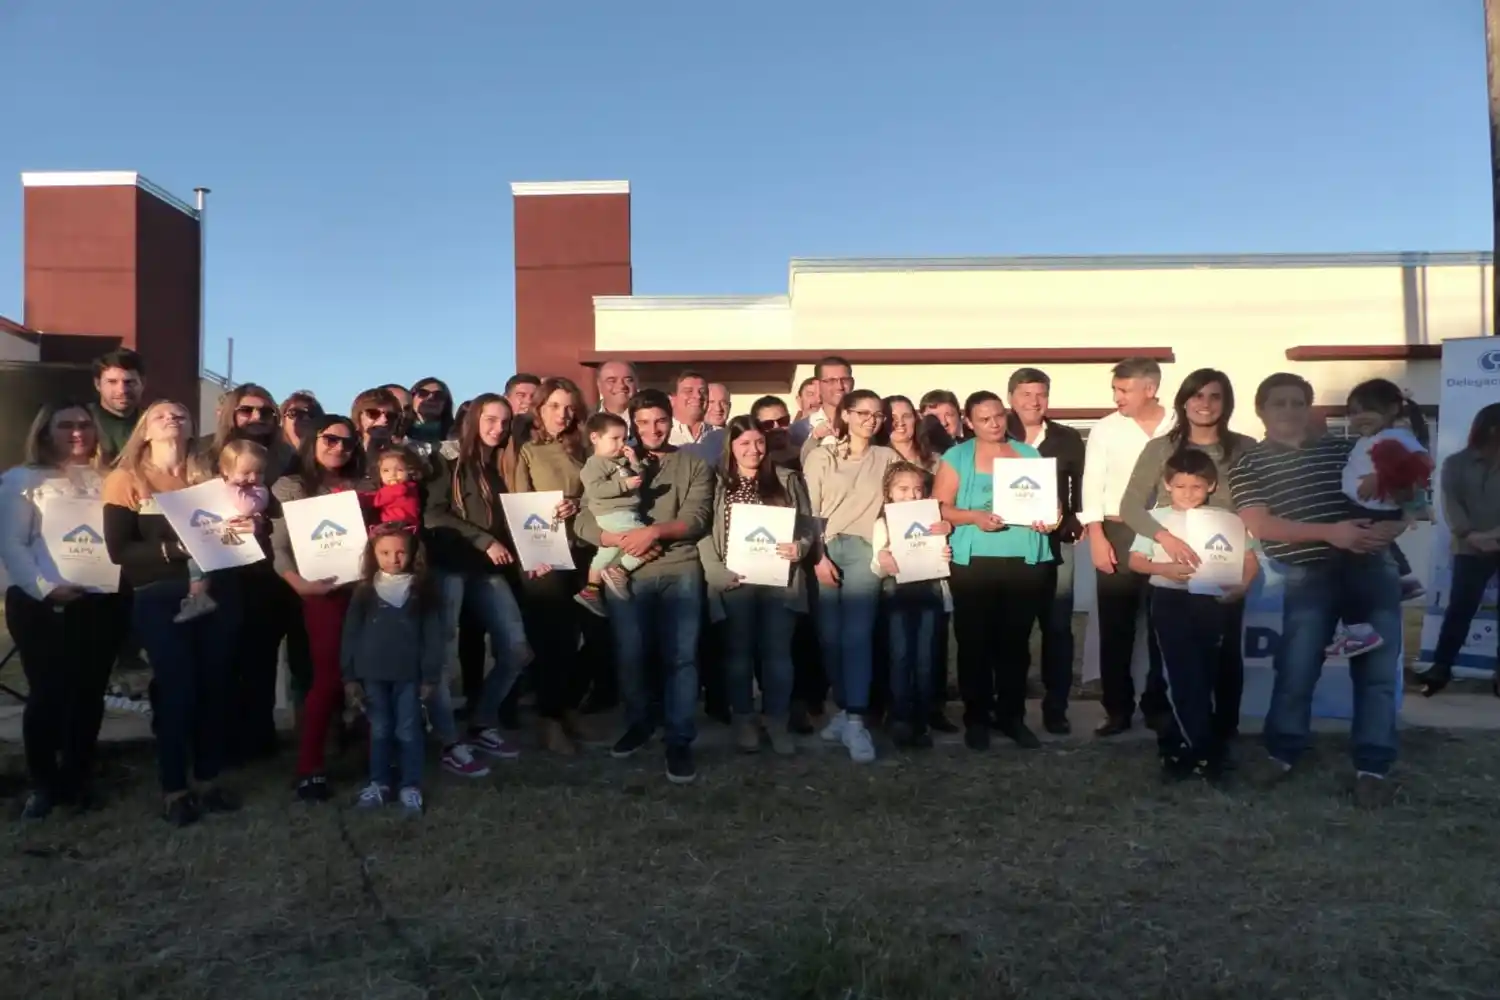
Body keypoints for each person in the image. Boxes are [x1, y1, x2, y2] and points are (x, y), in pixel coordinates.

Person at [1228, 373, 1406, 806]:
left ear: (1310, 409)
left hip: (1373, 570)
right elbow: (1260, 524)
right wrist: (1332, 533)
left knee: (1378, 673)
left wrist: (1392, 527)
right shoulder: (1250, 462)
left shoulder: (1349, 450)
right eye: (1278, 403)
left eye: (1296, 403)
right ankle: (1282, 752)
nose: (1288, 411)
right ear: (1261, 411)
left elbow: (1399, 499)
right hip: (1310, 576)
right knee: (1297, 668)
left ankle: (1372, 767)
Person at [103, 400, 243, 825]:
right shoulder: (126, 479)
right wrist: (175, 550)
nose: (171, 418)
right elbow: (120, 550)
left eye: (180, 414)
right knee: (178, 689)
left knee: (215, 686)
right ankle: (174, 788)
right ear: (144, 429)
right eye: (160, 414)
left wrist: (245, 527)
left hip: (218, 591)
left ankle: (208, 779)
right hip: (159, 595)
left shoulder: (212, 477)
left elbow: (232, 530)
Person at [574, 388, 711, 782]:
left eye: (661, 421)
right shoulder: (611, 459)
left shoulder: (694, 464)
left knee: (680, 657)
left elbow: (696, 517)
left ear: (672, 420)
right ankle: (640, 723)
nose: (653, 429)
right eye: (644, 422)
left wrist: (651, 534)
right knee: (632, 655)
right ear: (633, 423)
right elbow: (585, 515)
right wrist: (616, 541)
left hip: (679, 568)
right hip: (625, 569)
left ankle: (679, 737)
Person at [1, 401, 129, 818]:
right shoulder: (21, 480)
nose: (78, 432)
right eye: (66, 425)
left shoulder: (108, 479)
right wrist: (45, 588)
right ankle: (43, 783)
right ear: (44, 431)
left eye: (85, 425)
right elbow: (12, 545)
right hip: (40, 603)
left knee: (90, 693)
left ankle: (77, 777)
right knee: (48, 694)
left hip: (100, 600)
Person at [1118, 368, 1255, 750]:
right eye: (1197, 396)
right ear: (1183, 401)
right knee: (1169, 657)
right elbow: (1130, 506)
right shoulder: (1161, 448)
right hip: (1173, 568)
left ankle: (1222, 734)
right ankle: (1171, 735)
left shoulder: (1244, 448)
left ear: (1226, 403)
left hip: (1226, 564)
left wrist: (1247, 568)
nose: (1205, 404)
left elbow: (1260, 504)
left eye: (1215, 396)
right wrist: (1165, 539)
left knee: (1225, 657)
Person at [934, 391, 1056, 751]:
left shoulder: (1028, 453)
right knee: (974, 642)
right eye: (984, 418)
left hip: (1024, 559)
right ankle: (977, 718)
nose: (994, 424)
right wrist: (973, 517)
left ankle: (1012, 716)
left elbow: (1048, 502)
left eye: (998, 416)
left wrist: (1050, 519)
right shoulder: (957, 457)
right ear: (969, 422)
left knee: (1016, 643)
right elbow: (939, 507)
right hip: (974, 561)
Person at [1128, 450, 1259, 781]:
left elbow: (1249, 560)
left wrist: (1242, 586)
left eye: (1197, 486)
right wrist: (1165, 568)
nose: (1188, 493)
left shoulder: (1226, 520)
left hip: (1212, 603)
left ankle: (1207, 744)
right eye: (1181, 486)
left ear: (1211, 485)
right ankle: (1178, 746)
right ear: (1167, 485)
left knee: (1209, 673)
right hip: (1169, 601)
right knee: (1175, 674)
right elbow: (1136, 561)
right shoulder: (1154, 520)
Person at [423, 393, 530, 767]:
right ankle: (449, 742)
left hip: (487, 571)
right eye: (490, 419)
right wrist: (484, 541)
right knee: (441, 659)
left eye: (504, 422)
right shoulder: (445, 460)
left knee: (516, 649)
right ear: (473, 419)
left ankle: (482, 721)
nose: (497, 428)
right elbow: (433, 514)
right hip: (449, 566)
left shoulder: (499, 464)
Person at [696, 414, 812, 755]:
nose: (753, 450)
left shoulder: (786, 479)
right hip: (735, 582)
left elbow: (806, 527)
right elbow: (703, 532)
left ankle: (775, 720)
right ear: (730, 447)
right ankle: (744, 719)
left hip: (780, 582)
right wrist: (715, 570)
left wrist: (800, 547)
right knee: (738, 656)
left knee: (778, 656)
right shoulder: (716, 482)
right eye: (744, 443)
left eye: (759, 442)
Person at [271, 414, 370, 801]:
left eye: (347, 443)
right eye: (330, 439)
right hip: (321, 592)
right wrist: (300, 585)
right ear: (313, 441)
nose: (339, 448)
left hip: (365, 590)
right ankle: (310, 766)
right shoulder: (291, 487)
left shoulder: (365, 485)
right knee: (327, 677)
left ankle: (375, 757)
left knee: (371, 675)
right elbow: (278, 548)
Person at [1079, 358, 1175, 737]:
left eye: (1124, 390)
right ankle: (1116, 709)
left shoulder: (1178, 425)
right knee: (1116, 626)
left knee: (1162, 624)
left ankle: (1157, 703)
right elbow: (1092, 484)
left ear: (1149, 389)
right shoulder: (1105, 429)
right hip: (1117, 533)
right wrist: (1097, 536)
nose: (1117, 397)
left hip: (1167, 533)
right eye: (1115, 390)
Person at [804, 388, 897, 763]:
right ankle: (843, 710)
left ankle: (856, 717)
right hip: (824, 549)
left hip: (864, 549)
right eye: (862, 413)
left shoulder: (887, 457)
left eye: (877, 415)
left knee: (858, 634)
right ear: (845, 415)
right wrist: (817, 557)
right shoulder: (821, 456)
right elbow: (808, 508)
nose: (870, 420)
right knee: (829, 638)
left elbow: (900, 500)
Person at [513, 376, 593, 754]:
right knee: (553, 638)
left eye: (568, 406)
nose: (563, 414)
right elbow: (518, 501)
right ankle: (549, 719)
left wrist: (579, 504)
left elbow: (601, 494)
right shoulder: (528, 450)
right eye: (554, 406)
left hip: (585, 550)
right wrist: (533, 554)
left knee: (591, 636)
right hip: (544, 553)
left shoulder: (586, 450)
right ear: (539, 410)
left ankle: (565, 706)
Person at [1326, 379, 1433, 658]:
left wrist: (1381, 477)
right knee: (1366, 556)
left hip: (1371, 510)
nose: (1359, 417)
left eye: (1368, 410)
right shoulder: (1375, 437)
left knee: (1349, 572)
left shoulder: (1394, 438)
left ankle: (1359, 630)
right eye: (1353, 411)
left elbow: (1421, 464)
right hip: (1365, 507)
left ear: (1392, 409)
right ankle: (1405, 580)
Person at [1005, 368, 1086, 735]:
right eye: (1025, 394)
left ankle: (1056, 707)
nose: (1033, 401)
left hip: (1057, 544)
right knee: (1011, 630)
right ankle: (1010, 706)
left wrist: (1072, 519)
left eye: (1040, 394)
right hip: (1006, 542)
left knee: (1056, 627)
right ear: (1011, 398)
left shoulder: (1067, 438)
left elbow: (1079, 489)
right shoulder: (996, 432)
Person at [342, 525, 444, 815]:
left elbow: (433, 636)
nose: (394, 559)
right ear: (373, 554)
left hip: (409, 676)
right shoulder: (364, 591)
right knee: (380, 729)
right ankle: (379, 783)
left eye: (401, 552)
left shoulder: (421, 590)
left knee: (408, 729)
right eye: (385, 552)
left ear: (413, 554)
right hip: (372, 675)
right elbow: (350, 634)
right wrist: (349, 676)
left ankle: (410, 785)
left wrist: (430, 675)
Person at [880, 395, 959, 733]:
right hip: (893, 569)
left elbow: (949, 506)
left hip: (931, 568)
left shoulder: (937, 462)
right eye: (892, 416)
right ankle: (893, 710)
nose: (899, 422)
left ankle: (932, 708)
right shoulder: (876, 460)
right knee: (894, 647)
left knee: (932, 644)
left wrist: (949, 525)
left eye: (906, 416)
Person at [870, 461, 952, 749]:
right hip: (897, 594)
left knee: (926, 659)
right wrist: (883, 559)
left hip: (929, 592)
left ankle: (922, 720)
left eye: (918, 489)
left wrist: (945, 549)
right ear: (889, 493)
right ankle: (899, 718)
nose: (912, 495)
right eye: (903, 489)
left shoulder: (934, 521)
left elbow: (942, 560)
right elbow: (875, 564)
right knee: (900, 656)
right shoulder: (883, 524)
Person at [1421, 401, 1500, 696]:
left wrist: (1493, 535)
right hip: (1469, 547)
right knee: (1460, 609)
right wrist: (1471, 535)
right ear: (1491, 428)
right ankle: (1440, 669)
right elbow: (1451, 503)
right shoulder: (1456, 463)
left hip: (1491, 537)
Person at [175, 439, 270, 623]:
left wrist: (231, 487)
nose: (252, 478)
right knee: (196, 560)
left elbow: (245, 507)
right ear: (226, 471)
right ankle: (196, 596)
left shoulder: (258, 491)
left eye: (258, 472)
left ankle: (199, 597)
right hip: (215, 535)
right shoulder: (220, 487)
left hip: (236, 544)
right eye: (245, 472)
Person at [575, 411, 645, 613]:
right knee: (646, 542)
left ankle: (591, 589)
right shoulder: (594, 464)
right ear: (595, 438)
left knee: (606, 552)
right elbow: (596, 490)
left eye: (624, 439)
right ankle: (619, 571)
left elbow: (639, 477)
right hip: (614, 514)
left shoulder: (618, 461)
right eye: (614, 439)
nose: (621, 444)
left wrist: (634, 463)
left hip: (624, 513)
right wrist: (625, 484)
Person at [90, 348, 146, 464]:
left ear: (143, 383)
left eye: (129, 382)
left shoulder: (155, 423)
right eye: (112, 382)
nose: (122, 390)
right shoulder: (81, 421)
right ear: (97, 384)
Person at [793, 356, 854, 456]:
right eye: (831, 381)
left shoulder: (865, 422)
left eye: (844, 380)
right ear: (818, 385)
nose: (839, 386)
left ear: (852, 382)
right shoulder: (800, 430)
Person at [363, 445, 423, 527]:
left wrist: (356, 496)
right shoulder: (411, 486)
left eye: (399, 470)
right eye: (386, 470)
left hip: (399, 525)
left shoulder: (400, 488)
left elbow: (376, 500)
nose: (392, 475)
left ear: (410, 471)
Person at [406, 377, 456, 448]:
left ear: (446, 403)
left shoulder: (458, 433)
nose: (431, 398)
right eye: (423, 393)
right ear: (412, 397)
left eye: (438, 395)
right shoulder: (398, 431)